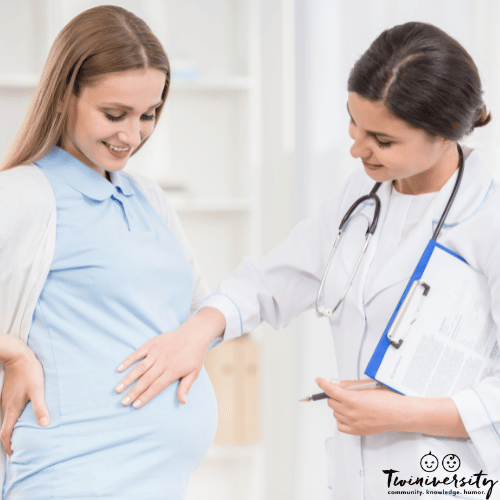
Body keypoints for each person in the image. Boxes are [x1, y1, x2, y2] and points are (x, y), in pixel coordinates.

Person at [116, 22, 500, 498]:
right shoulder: (363, 195)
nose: (358, 148)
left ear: (445, 135)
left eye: (382, 139)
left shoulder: (488, 221)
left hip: (451, 479)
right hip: (360, 476)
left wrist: (397, 414)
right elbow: (273, 281)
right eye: (353, 123)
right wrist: (198, 330)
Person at [0, 5, 219, 499]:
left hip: (161, 484)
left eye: (148, 115)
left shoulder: (149, 200)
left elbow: (201, 313)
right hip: (71, 479)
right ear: (63, 96)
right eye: (114, 114)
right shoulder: (22, 196)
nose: (131, 135)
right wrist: (11, 352)